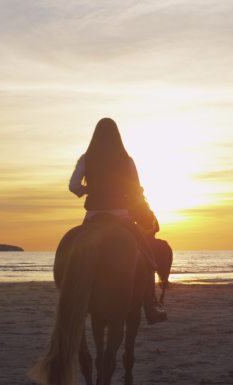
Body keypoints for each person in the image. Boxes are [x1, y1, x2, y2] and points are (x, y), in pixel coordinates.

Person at [68, 117, 167, 324]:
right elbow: (136, 190)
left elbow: (73, 186)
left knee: (71, 254)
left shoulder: (86, 159)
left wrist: (88, 189)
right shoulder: (127, 160)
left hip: (93, 217)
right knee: (148, 259)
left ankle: (69, 300)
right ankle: (150, 307)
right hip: (120, 217)